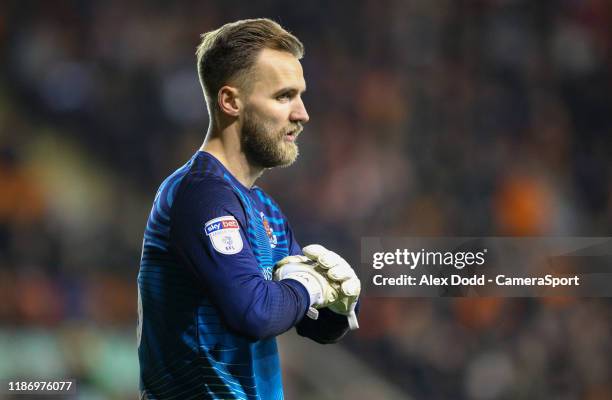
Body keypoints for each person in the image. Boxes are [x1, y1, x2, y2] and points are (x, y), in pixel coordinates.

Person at [137, 18, 360, 399]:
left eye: (301, 96)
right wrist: (310, 285)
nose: (302, 114)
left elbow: (310, 322)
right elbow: (254, 313)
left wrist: (339, 303)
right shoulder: (199, 194)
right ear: (230, 101)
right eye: (283, 96)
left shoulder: (264, 209)